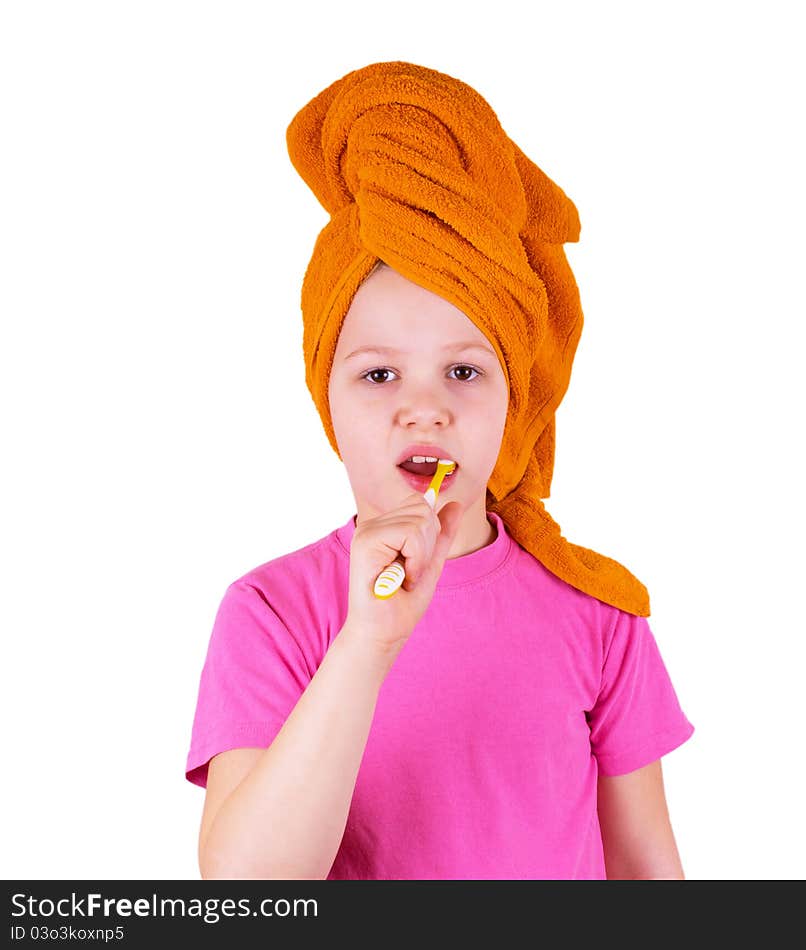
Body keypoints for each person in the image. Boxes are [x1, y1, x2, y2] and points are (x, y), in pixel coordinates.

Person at [185, 61, 695, 880]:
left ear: (515, 401)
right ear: (329, 404)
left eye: (463, 372)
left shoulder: (602, 614)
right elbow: (249, 892)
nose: (423, 408)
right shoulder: (272, 613)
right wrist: (367, 640)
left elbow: (647, 870)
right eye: (378, 374)